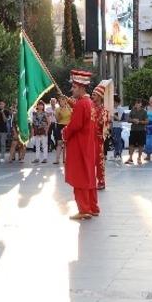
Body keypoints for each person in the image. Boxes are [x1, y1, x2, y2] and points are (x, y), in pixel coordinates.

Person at [62, 70, 98, 219]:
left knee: (79, 177)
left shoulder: (81, 104)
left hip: (79, 145)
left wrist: (64, 132)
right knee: (89, 176)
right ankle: (92, 207)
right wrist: (72, 103)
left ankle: (84, 209)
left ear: (82, 88)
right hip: (88, 144)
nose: (72, 90)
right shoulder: (88, 102)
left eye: (74, 87)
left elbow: (75, 125)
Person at [92, 81, 112, 189]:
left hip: (98, 139)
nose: (92, 96)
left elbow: (106, 127)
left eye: (94, 94)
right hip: (89, 138)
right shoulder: (90, 108)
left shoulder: (105, 111)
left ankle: (101, 181)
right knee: (88, 161)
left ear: (100, 96)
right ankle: (90, 181)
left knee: (99, 161)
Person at [127, 98, 147, 165]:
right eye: (136, 103)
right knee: (131, 144)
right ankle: (130, 158)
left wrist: (139, 122)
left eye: (138, 103)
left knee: (141, 145)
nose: (137, 104)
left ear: (141, 104)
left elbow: (147, 121)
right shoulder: (132, 110)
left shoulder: (144, 112)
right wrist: (133, 120)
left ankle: (139, 158)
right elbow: (128, 119)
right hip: (133, 130)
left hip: (141, 130)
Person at [53, 95, 72, 165]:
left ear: (65, 101)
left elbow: (72, 117)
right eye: (60, 100)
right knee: (59, 143)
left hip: (68, 126)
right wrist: (59, 114)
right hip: (60, 125)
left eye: (63, 100)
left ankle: (65, 159)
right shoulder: (57, 109)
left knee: (66, 143)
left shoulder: (69, 108)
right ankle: (57, 159)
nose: (61, 101)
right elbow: (57, 120)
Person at [111, 95, 125, 162]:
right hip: (112, 126)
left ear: (116, 101)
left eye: (113, 101)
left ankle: (118, 154)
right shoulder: (112, 108)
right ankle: (115, 154)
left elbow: (119, 119)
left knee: (118, 140)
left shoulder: (120, 109)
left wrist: (113, 114)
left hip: (118, 127)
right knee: (114, 141)